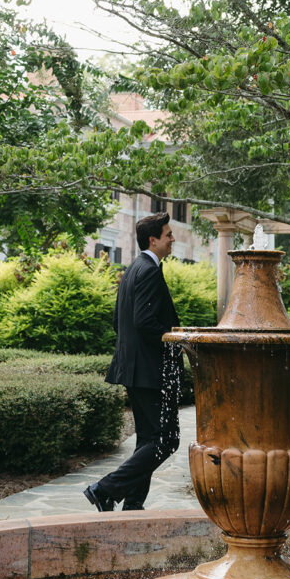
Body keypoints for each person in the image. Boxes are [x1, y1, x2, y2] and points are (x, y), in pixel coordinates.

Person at [83, 212, 183, 512]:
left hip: (135, 369)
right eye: (168, 235)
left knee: (149, 442)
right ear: (153, 239)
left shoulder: (132, 269)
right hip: (150, 371)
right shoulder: (149, 270)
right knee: (167, 440)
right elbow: (144, 322)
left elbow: (119, 321)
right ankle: (105, 489)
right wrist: (177, 339)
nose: (172, 239)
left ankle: (133, 505)